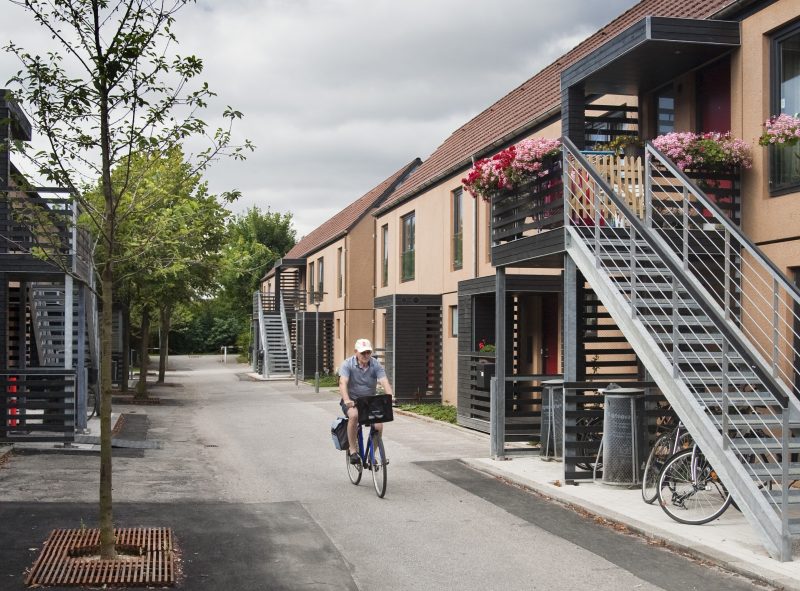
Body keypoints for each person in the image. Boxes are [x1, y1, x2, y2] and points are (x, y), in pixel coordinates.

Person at [339, 338, 393, 464]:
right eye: (363, 352)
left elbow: (384, 381)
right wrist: (346, 399)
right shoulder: (347, 364)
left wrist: (390, 397)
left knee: (378, 426)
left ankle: (371, 456)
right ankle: (353, 451)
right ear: (356, 352)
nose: (366, 355)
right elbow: (342, 382)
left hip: (369, 402)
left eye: (368, 352)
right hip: (352, 400)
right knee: (354, 416)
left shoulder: (375, 364)